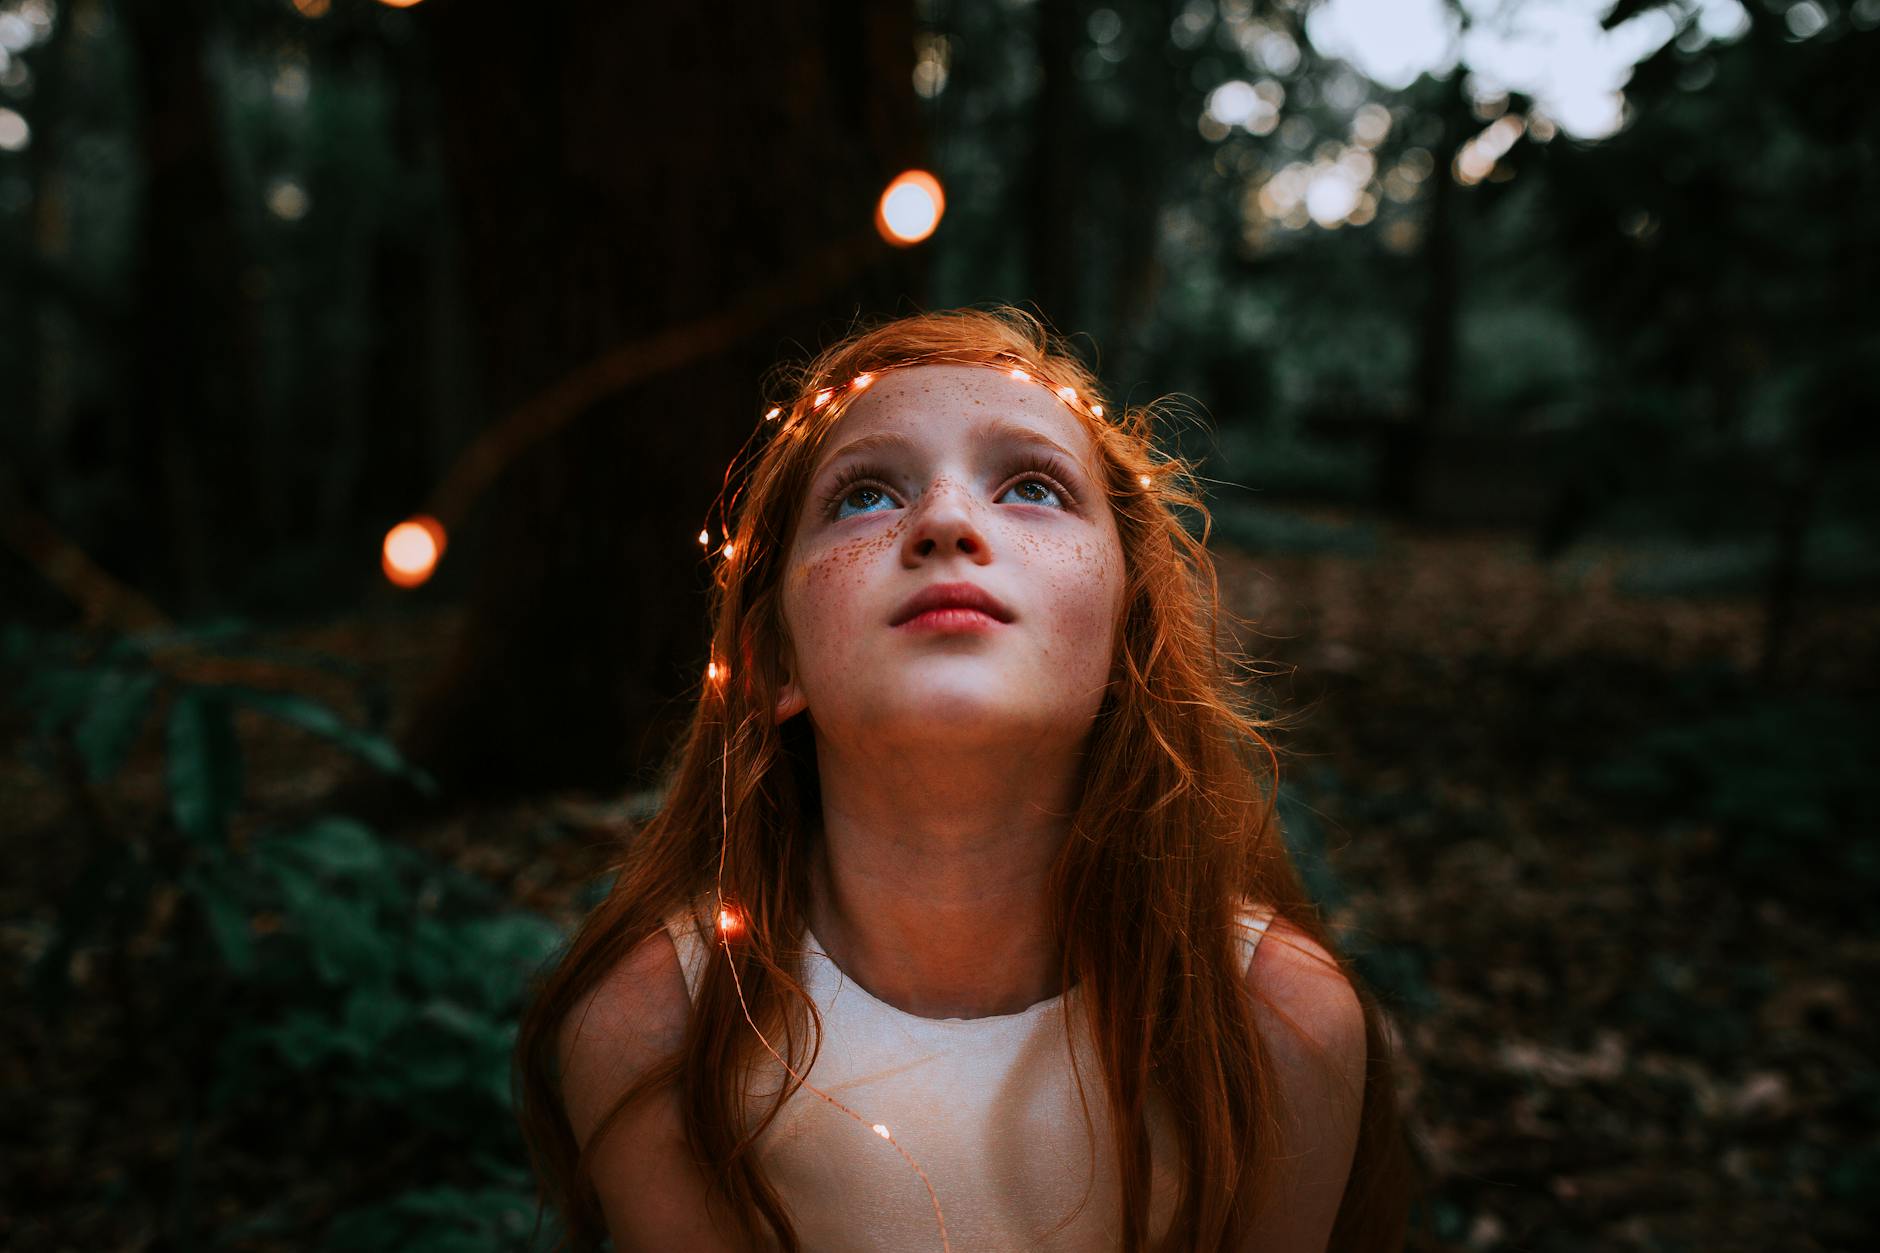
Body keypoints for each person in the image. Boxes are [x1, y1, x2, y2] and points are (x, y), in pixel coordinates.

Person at [514, 307, 1419, 1251]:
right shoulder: (657, 1030)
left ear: (1127, 636)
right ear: (773, 660)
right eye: (865, 494)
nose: (944, 519)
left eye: (1032, 484)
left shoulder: (1271, 1022)